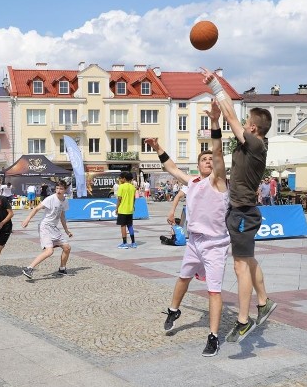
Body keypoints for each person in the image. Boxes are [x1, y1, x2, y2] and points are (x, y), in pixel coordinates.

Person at [145, 100, 229, 357]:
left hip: (215, 244)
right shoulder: (192, 182)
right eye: (202, 159)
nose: (207, 161)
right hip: (194, 242)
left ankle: (213, 337)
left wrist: (214, 122)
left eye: (209, 159)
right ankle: (174, 309)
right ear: (198, 164)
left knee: (213, 290)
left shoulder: (219, 181)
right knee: (183, 278)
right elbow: (170, 167)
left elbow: (217, 152)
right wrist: (159, 148)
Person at [203, 68, 277, 343]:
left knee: (240, 267)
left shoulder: (256, 144)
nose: (242, 124)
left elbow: (231, 115)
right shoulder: (249, 146)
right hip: (239, 210)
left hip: (244, 211)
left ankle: (244, 321)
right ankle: (264, 302)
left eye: (247, 123)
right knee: (249, 260)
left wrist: (214, 84)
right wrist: (214, 120)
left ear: (254, 128)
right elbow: (229, 124)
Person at [21, 180, 73, 279]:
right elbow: (36, 208)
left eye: (61, 189)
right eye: (57, 188)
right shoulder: (50, 199)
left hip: (54, 228)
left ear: (65, 190)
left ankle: (62, 268)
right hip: (45, 226)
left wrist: (66, 230)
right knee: (49, 251)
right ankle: (29, 268)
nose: (58, 190)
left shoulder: (65, 201)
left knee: (67, 248)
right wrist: (27, 219)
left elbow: (62, 216)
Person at [115, 171, 137, 248]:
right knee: (130, 226)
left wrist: (116, 208)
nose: (119, 179)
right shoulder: (133, 187)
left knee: (123, 226)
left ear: (124, 178)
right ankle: (133, 242)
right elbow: (134, 199)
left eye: (120, 178)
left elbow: (119, 199)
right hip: (130, 210)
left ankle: (124, 243)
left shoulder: (121, 186)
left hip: (122, 209)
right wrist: (133, 206)